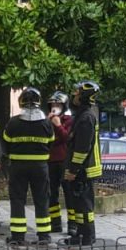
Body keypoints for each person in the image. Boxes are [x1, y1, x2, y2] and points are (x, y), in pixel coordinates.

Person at [2, 88, 55, 246]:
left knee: (18, 200)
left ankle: (18, 237)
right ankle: (44, 236)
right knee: (42, 200)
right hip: (40, 167)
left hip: (18, 167)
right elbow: (51, 143)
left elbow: (5, 143)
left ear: (21, 102)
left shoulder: (13, 122)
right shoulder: (46, 123)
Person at [61, 81, 103, 247]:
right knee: (79, 205)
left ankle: (86, 237)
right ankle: (80, 234)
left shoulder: (86, 118)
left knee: (84, 206)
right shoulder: (83, 114)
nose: (74, 95)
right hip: (82, 169)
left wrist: (73, 170)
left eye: (77, 93)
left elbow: (82, 148)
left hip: (84, 170)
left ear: (84, 96)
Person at [47, 90, 73, 235]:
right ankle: (55, 223)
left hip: (64, 161)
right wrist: (47, 122)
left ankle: (72, 224)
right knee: (52, 194)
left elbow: (66, 138)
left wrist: (57, 124)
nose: (55, 106)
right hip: (50, 161)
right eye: (53, 104)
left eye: (58, 104)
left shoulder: (69, 120)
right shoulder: (48, 120)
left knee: (69, 193)